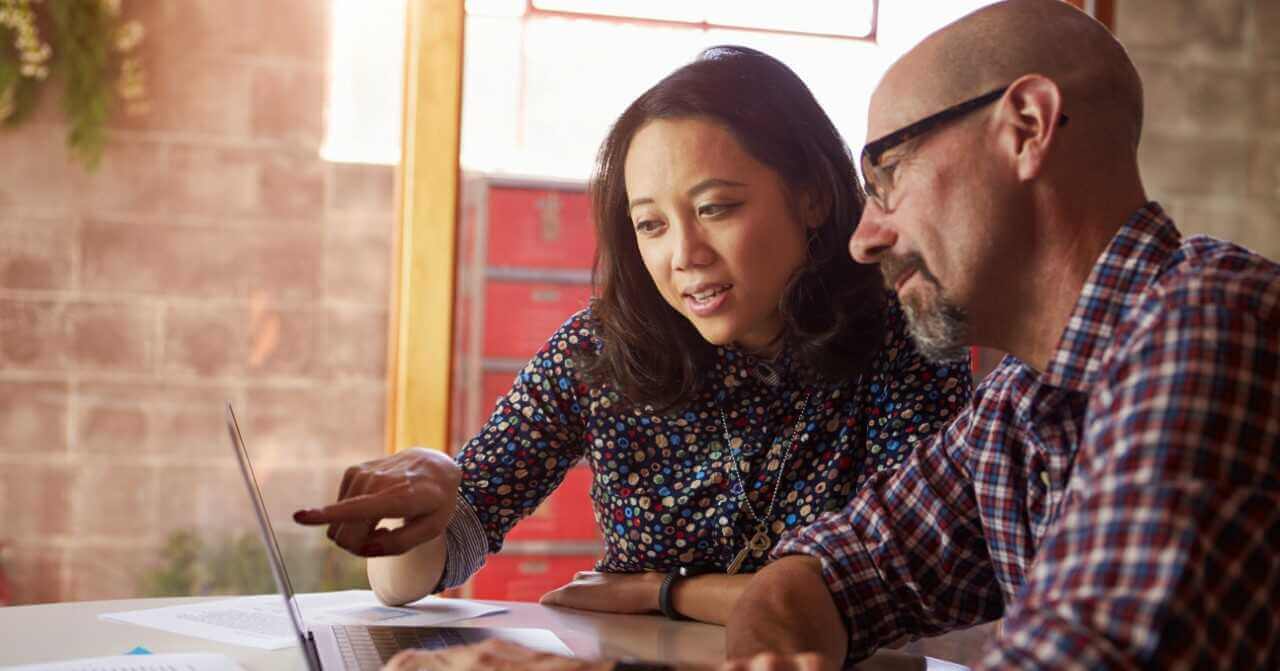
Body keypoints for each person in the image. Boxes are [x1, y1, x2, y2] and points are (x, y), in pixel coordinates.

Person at [293, 45, 971, 630]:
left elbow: (911, 583)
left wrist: (664, 591)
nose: (685, 254)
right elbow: (412, 580)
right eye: (652, 224)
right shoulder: (604, 347)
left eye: (715, 208)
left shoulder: (902, 336)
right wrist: (430, 488)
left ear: (812, 197)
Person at [720, 1, 1280, 669]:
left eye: (887, 175)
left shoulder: (1212, 322)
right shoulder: (1015, 402)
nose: (863, 240)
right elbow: (818, 574)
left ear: (1026, 127)